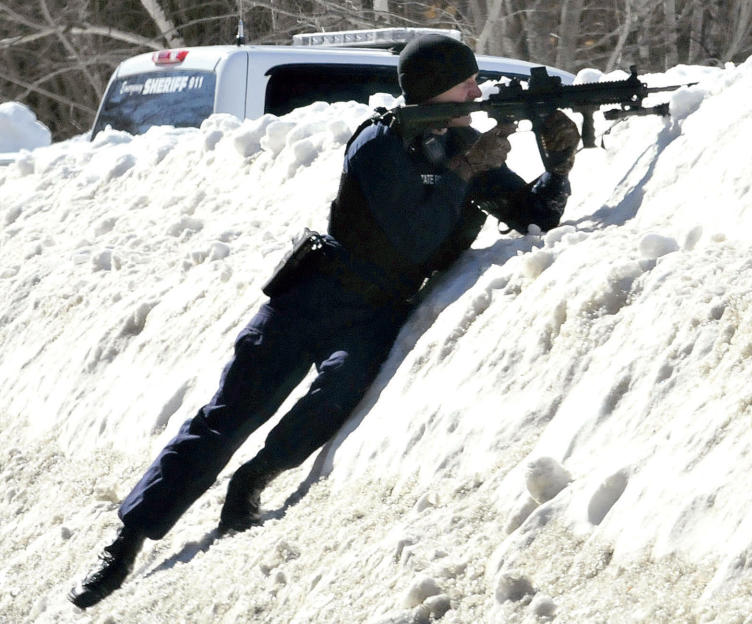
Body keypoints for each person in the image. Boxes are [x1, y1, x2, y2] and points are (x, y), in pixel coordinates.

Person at [68, 33, 580, 609]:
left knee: (336, 396)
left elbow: (533, 216)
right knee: (227, 417)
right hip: (311, 297)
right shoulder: (379, 142)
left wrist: (557, 166)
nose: (477, 91)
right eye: (466, 83)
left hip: (378, 311)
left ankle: (254, 479)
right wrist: (466, 168)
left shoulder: (465, 144)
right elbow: (414, 235)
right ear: (435, 89)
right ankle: (128, 539)